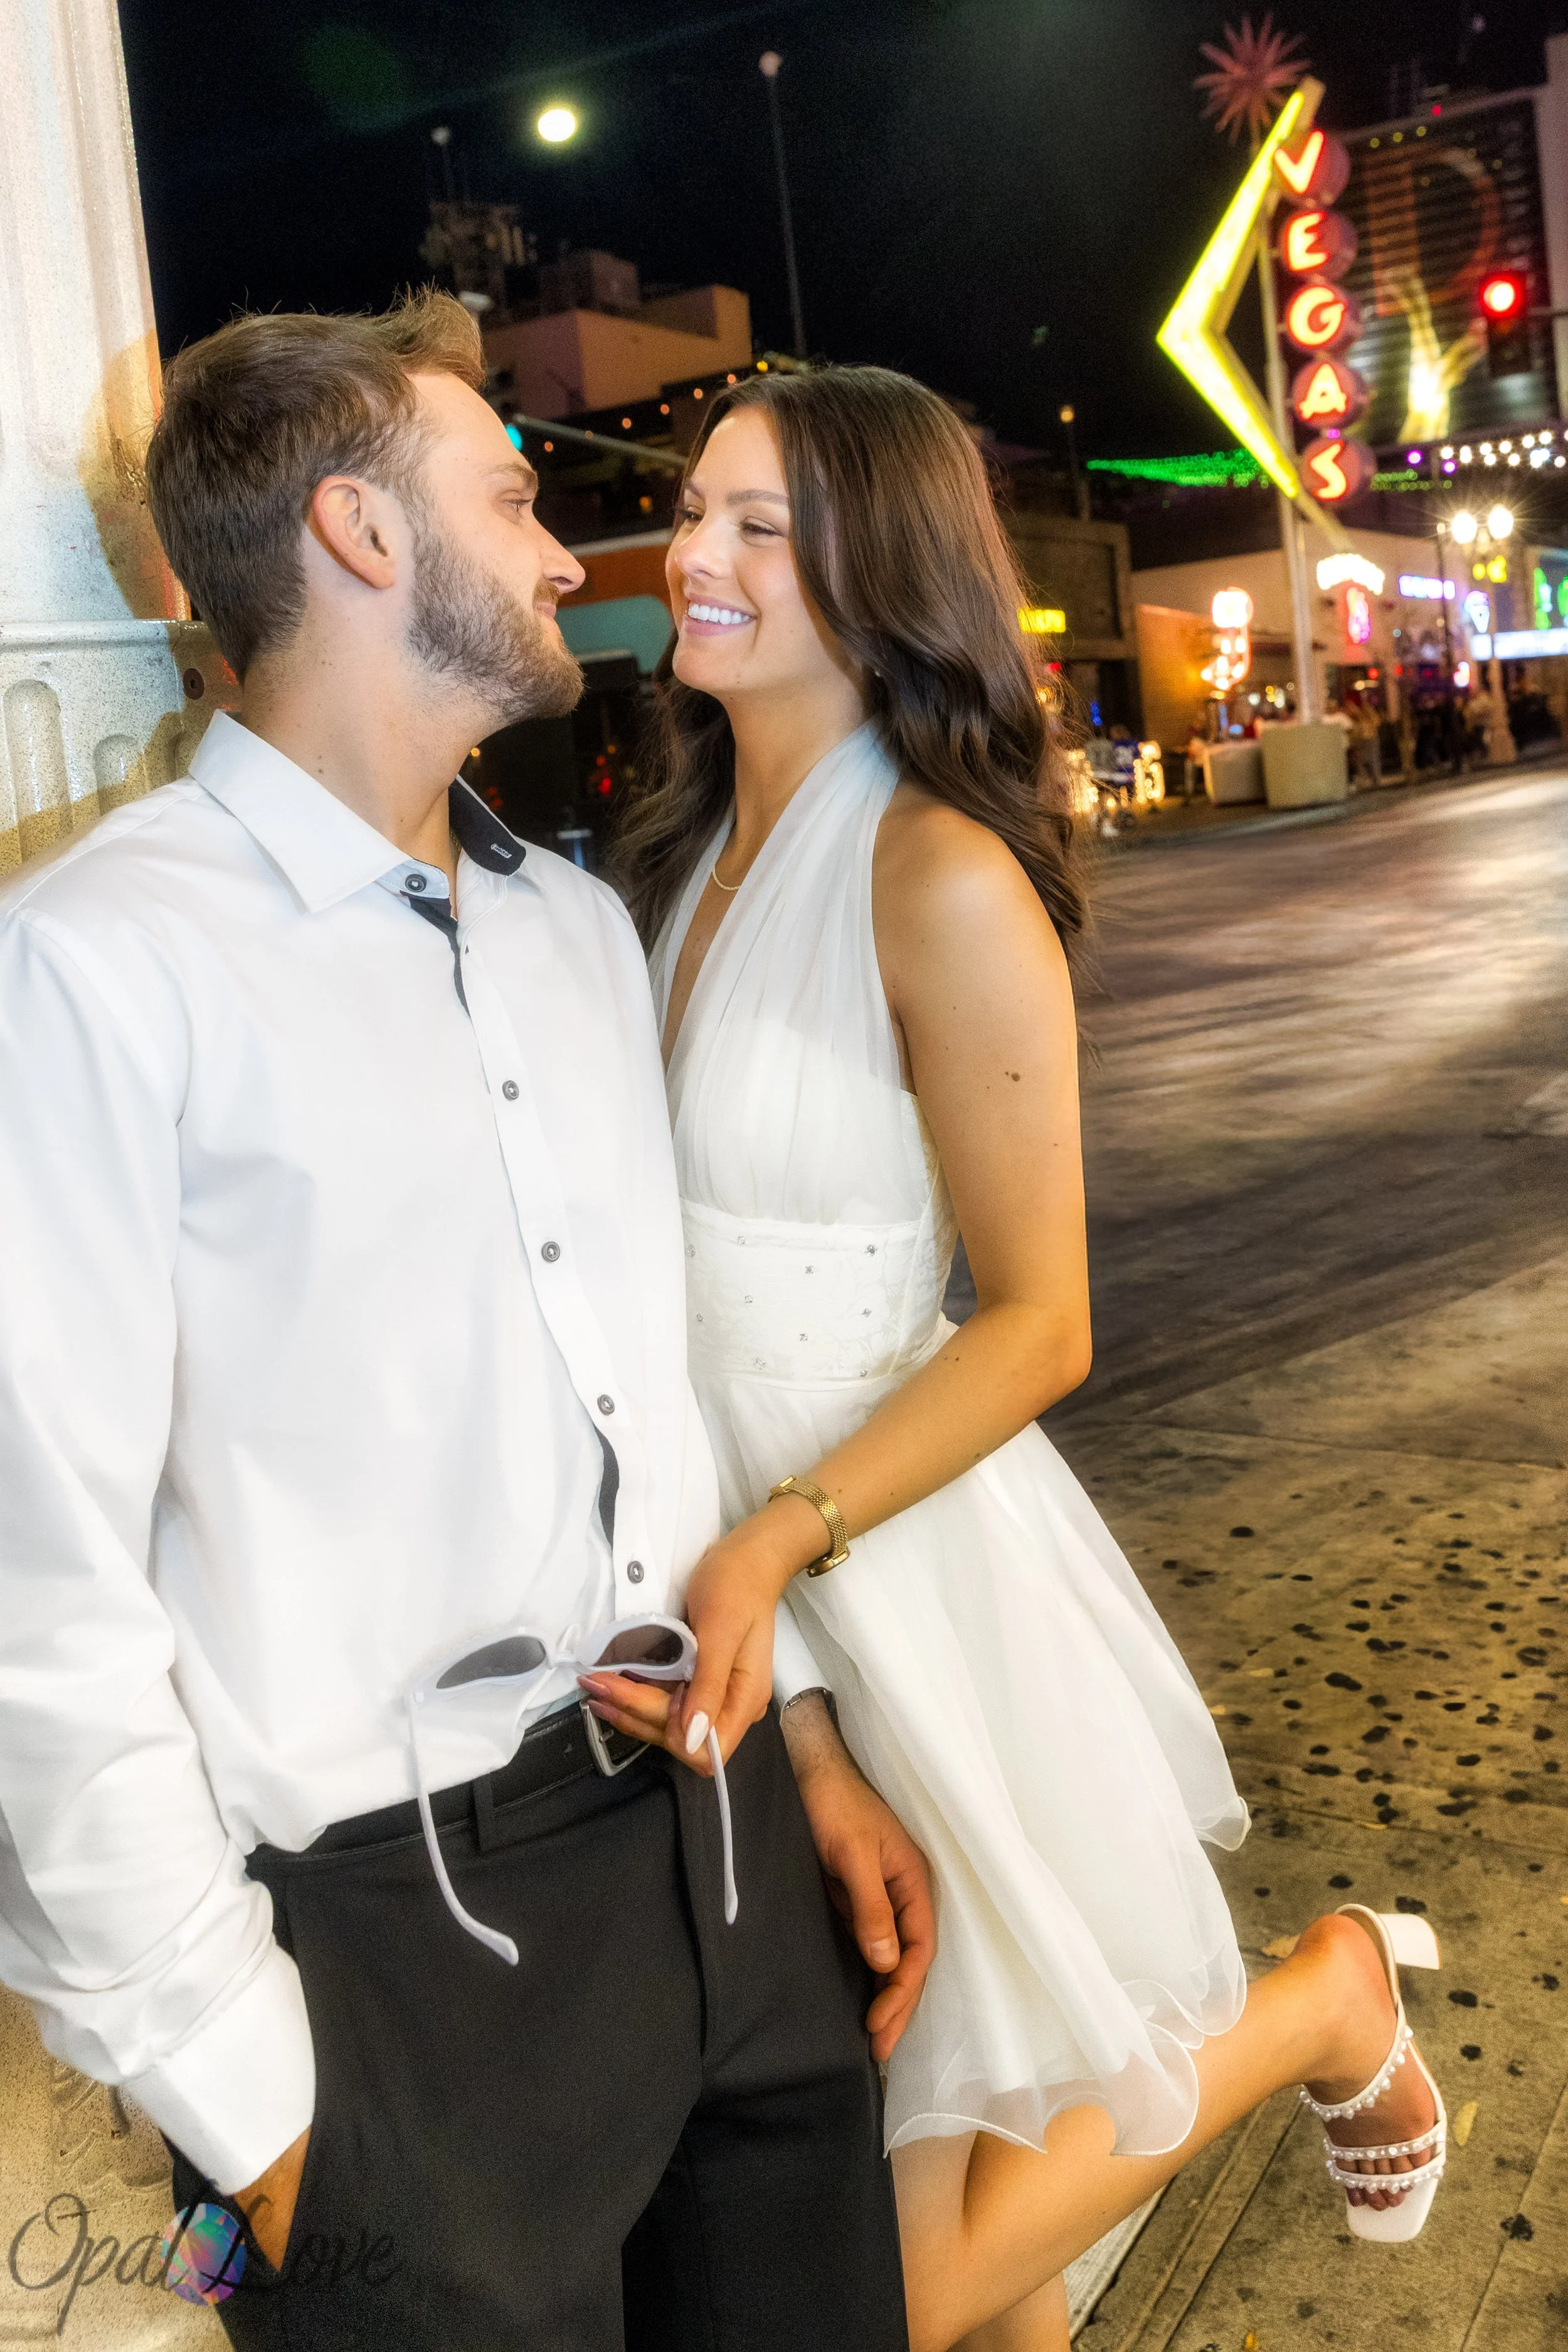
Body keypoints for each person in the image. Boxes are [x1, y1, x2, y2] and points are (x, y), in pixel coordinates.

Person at [0, 294, 935, 2352]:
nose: (557, 551)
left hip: (714, 1863)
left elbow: (652, 1405)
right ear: (354, 533)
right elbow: (33, 1593)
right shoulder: (88, 970)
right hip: (384, 1944)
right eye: (509, 494)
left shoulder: (573, 924)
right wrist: (245, 2101)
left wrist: (795, 1753)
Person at [593, 367, 1448, 2352]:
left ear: (874, 577)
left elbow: (1040, 1318)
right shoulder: (678, 849)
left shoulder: (936, 873)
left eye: (750, 529)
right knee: (980, 2223)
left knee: (886, 2270)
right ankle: (1313, 2007)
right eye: (692, 513)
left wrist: (780, 1539)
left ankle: (1322, 1999)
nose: (689, 559)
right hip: (738, 1599)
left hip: (891, 1563)